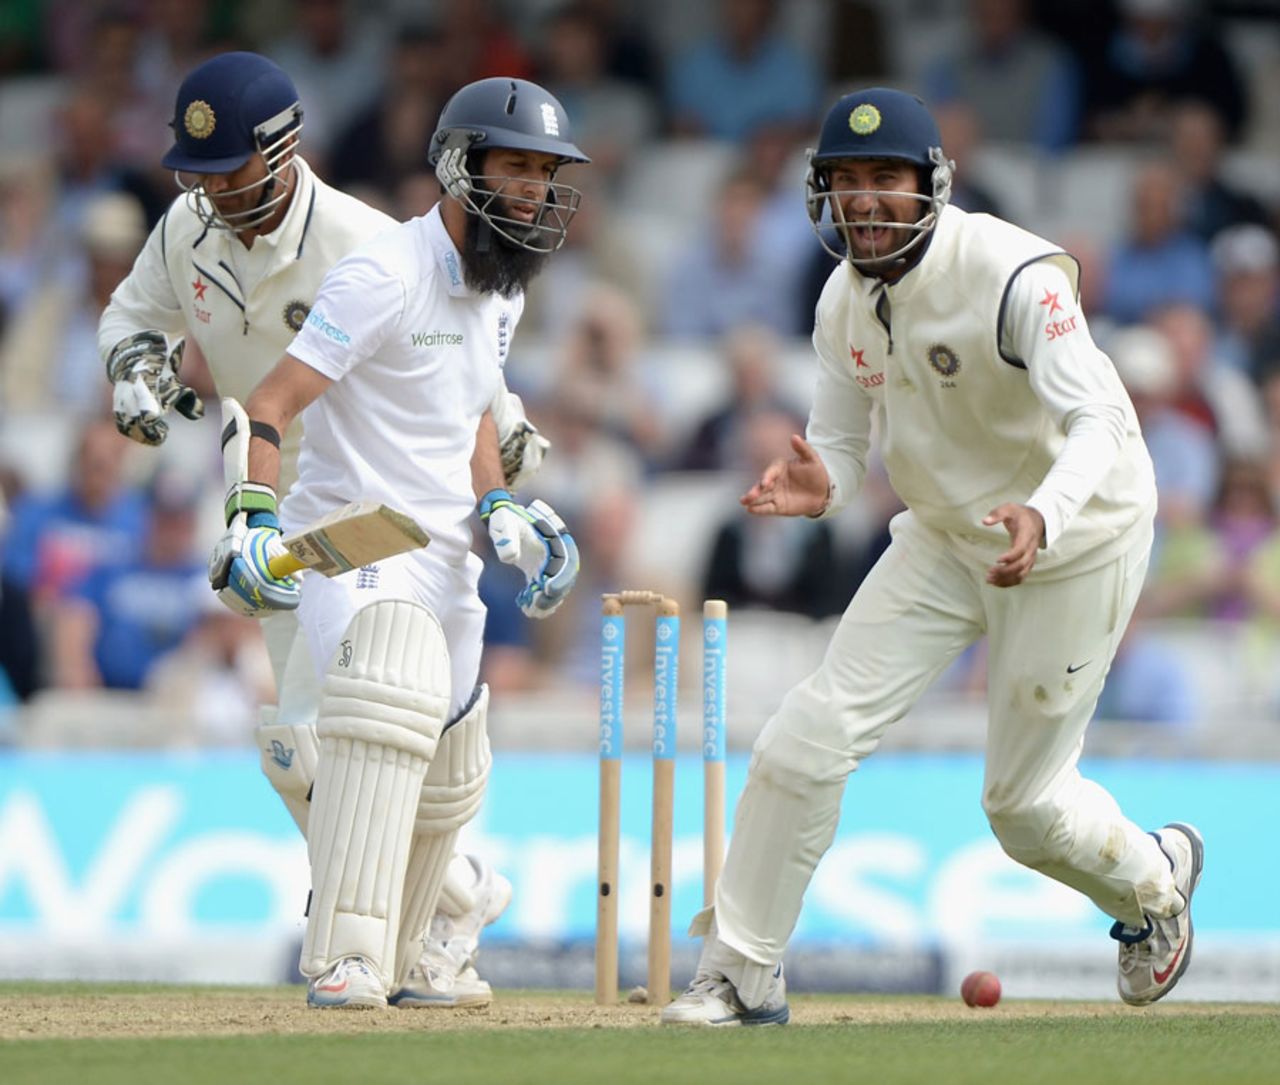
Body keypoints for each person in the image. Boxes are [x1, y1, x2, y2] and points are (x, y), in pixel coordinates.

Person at [661, 88, 1204, 1027]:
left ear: (931, 187)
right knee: (806, 734)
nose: (864, 200)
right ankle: (741, 971)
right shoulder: (843, 301)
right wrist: (820, 485)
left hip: (1076, 539)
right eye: (845, 181)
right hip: (947, 537)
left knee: (1022, 811)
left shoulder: (1010, 273)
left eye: (885, 179)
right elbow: (837, 442)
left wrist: (1043, 513)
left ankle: (1155, 883)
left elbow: (1102, 423)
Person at [96, 51, 548, 1008]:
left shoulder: (360, 240)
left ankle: (423, 918)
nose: (213, 189)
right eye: (198, 172)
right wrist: (136, 370)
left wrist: (506, 458)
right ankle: (448, 910)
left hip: (363, 502)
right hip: (260, 491)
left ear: (284, 151)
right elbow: (134, 317)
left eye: (231, 170)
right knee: (317, 741)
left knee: (329, 734)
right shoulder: (188, 229)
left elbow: (460, 371)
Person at [204, 76, 587, 1009]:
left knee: (450, 766)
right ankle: (345, 956)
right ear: (462, 170)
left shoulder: (501, 292)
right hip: (351, 539)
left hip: (447, 554)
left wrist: (501, 505)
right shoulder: (386, 272)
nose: (536, 189)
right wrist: (253, 517)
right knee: (393, 684)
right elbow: (271, 403)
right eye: (517, 169)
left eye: (547, 172)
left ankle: (422, 951)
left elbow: (471, 417)